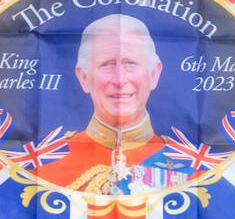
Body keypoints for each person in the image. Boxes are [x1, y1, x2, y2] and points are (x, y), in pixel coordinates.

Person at [43, 15, 173, 195]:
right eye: (106, 64)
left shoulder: (186, 165)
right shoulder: (46, 166)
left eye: (131, 64)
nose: (120, 80)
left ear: (153, 74)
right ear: (84, 77)